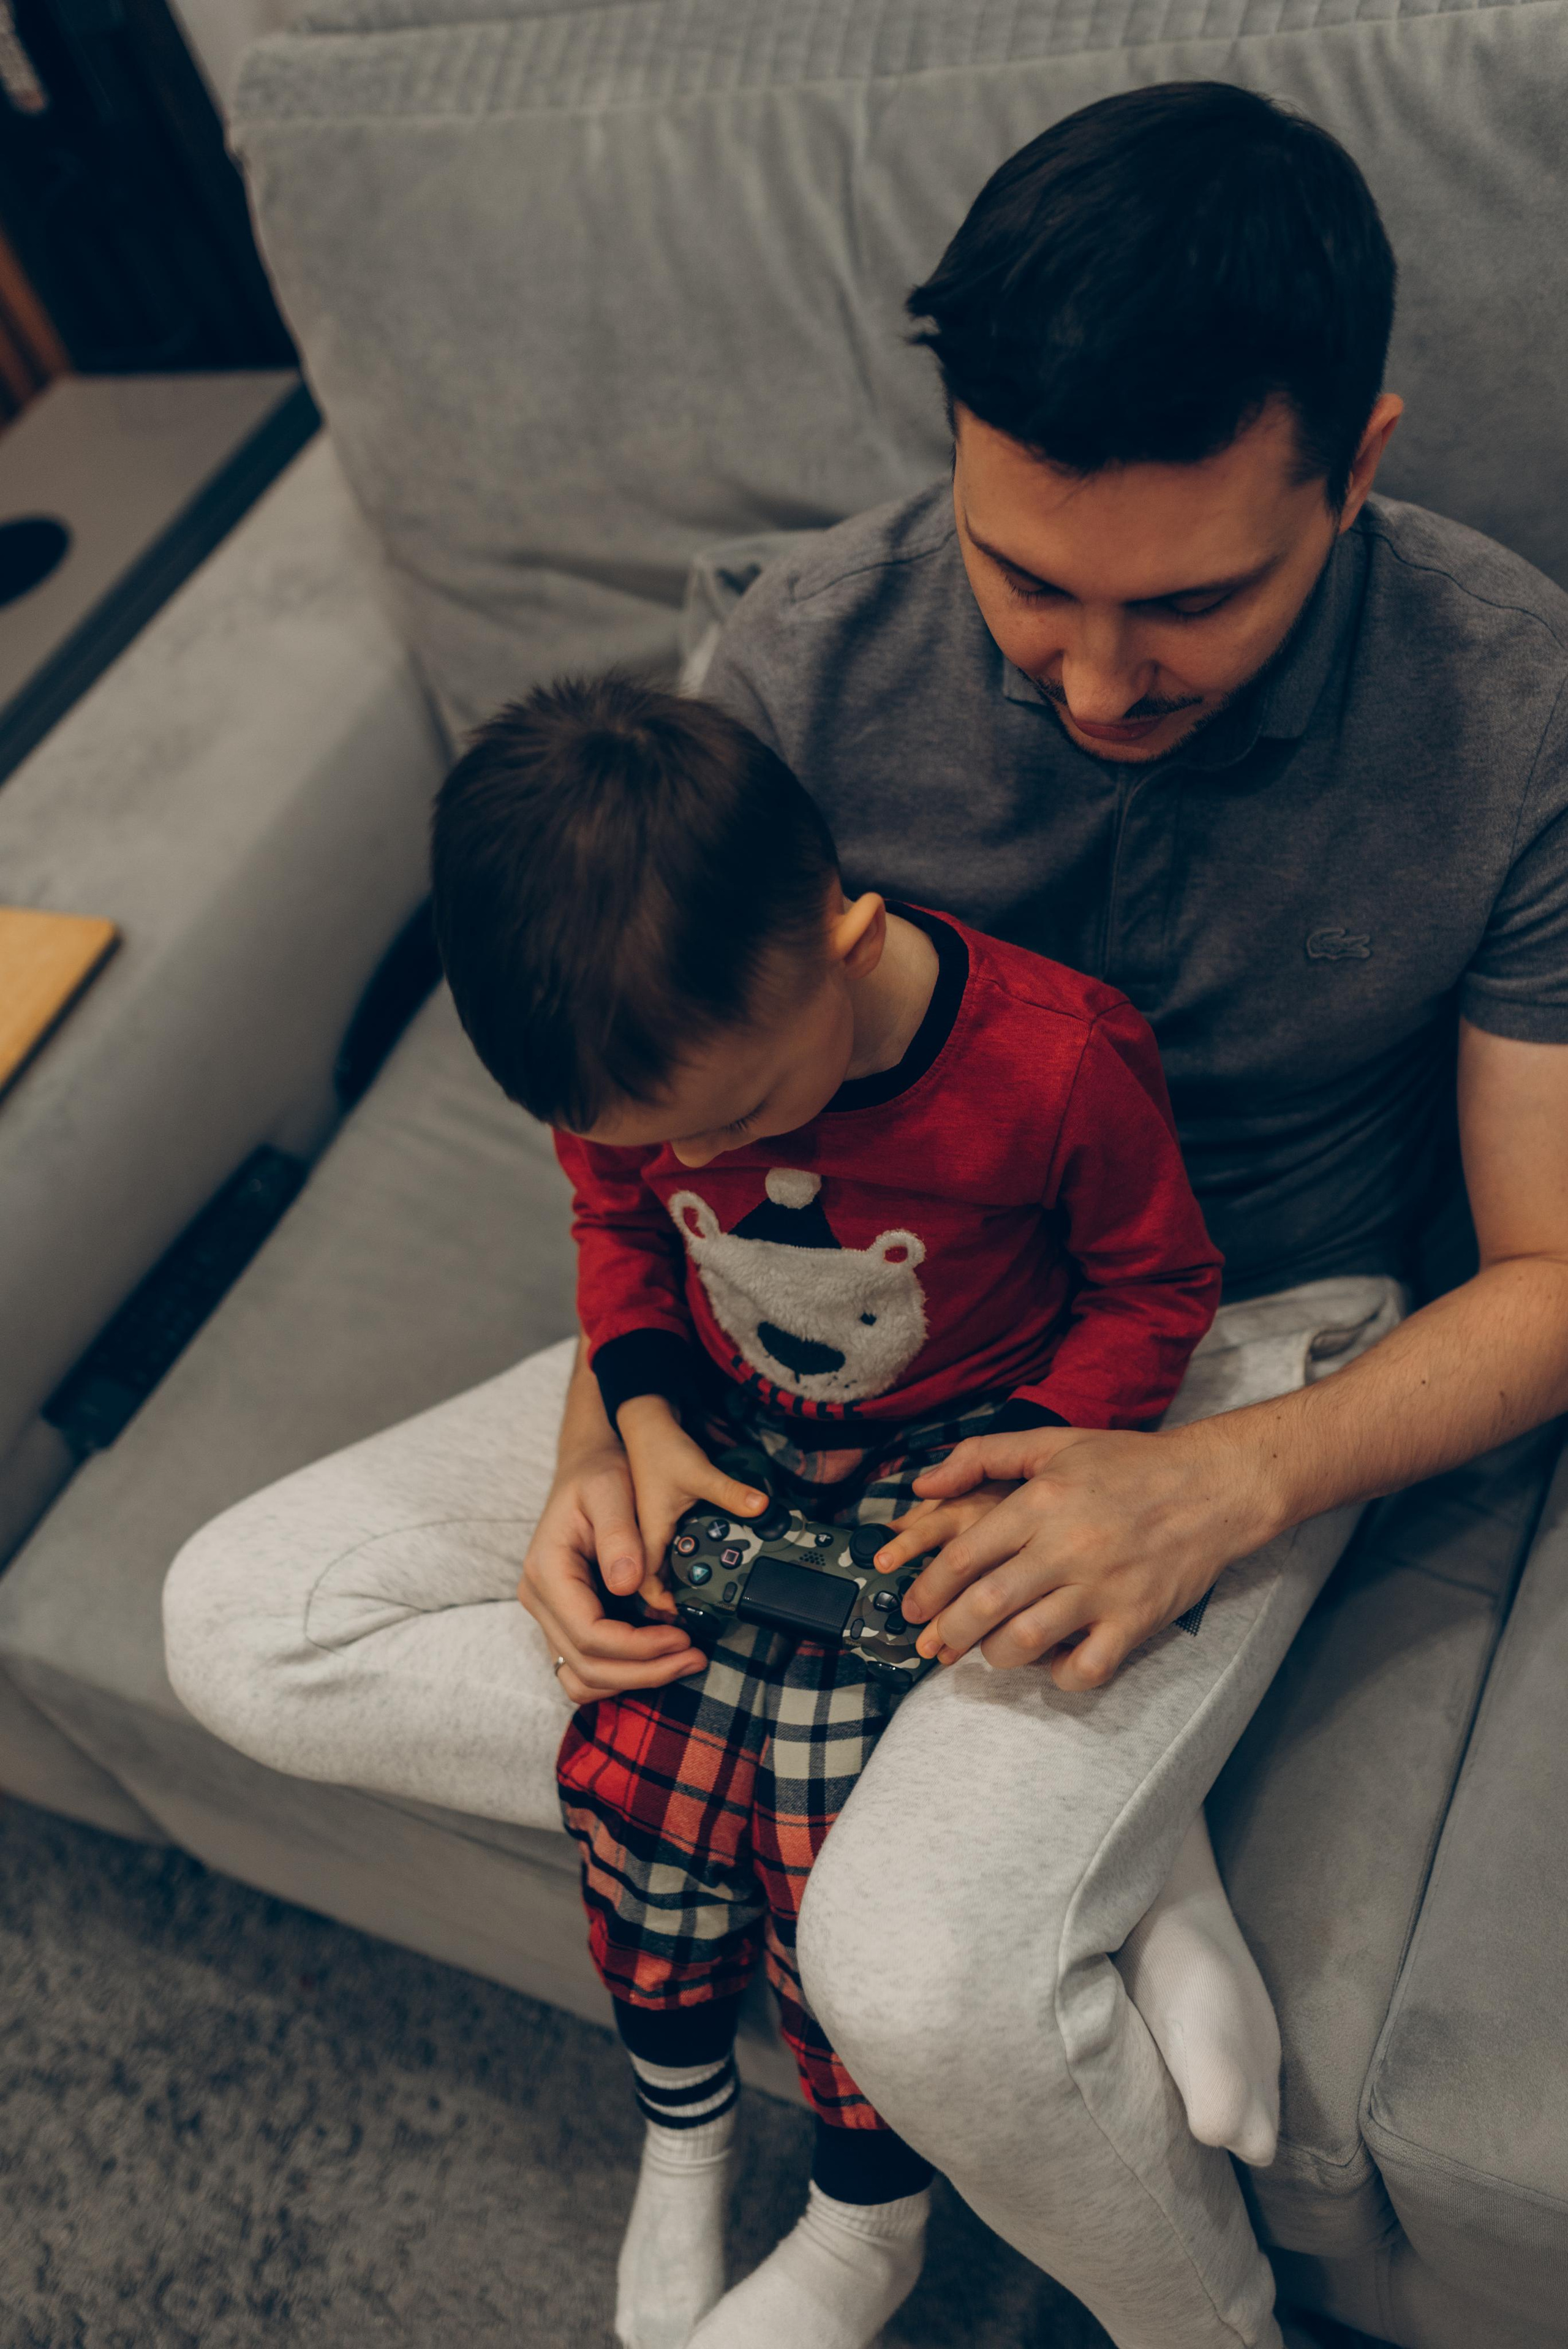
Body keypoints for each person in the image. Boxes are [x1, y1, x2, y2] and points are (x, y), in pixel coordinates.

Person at [161, 77, 1568, 2349]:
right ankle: (950, 1788)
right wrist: (602, 1433)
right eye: (1027, 580)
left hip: (1217, 1345)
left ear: (1362, 464)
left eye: (1195, 601)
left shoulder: (1516, 709)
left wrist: (1208, 1483)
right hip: (809, 1308)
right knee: (243, 1621)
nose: (1094, 685)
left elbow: (1555, 1276)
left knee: (923, 1971)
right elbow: (654, 1109)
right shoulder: (807, 656)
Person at [427, 673, 1223, 2348]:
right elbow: (621, 1235)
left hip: (989, 1433)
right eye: (649, 1135)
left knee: (844, 1798)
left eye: (727, 1120)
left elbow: (1162, 1289)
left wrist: (1061, 1453)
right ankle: (686, 2117)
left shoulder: (1053, 1062)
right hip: (745, 1436)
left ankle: (893, 2178)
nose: (689, 1158)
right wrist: (633, 1417)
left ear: (849, 945)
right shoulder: (638, 1086)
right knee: (641, 1757)